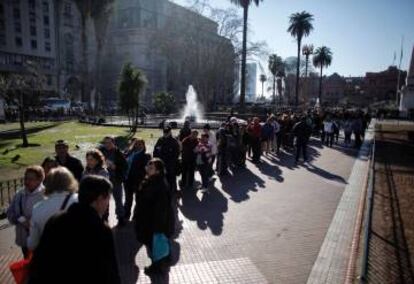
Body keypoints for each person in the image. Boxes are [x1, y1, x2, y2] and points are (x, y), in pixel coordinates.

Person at [28, 176, 120, 284]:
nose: (108, 203)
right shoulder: (101, 229)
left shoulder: (56, 220)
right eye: (108, 198)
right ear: (99, 199)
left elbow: (40, 260)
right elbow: (110, 271)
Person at [134, 159, 175, 275]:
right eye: (148, 165)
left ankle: (157, 269)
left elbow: (161, 209)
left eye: (151, 168)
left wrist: (158, 228)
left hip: (153, 223)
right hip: (149, 220)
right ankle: (163, 261)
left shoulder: (159, 184)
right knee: (156, 245)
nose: (147, 168)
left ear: (158, 171)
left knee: (155, 246)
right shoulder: (150, 180)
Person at [27, 167, 78, 250]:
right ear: (70, 182)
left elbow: (32, 244)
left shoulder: (37, 208)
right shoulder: (80, 201)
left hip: (50, 258)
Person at [7, 166, 45, 258]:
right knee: (27, 263)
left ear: (39, 180)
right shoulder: (19, 194)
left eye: (31, 179)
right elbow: (10, 212)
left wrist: (31, 223)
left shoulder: (46, 195)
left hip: (40, 240)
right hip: (24, 237)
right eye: (26, 178)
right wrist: (18, 219)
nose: (27, 181)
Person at [100, 136, 128, 226]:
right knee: (104, 200)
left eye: (109, 142)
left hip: (116, 180)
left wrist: (115, 167)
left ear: (113, 143)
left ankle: (120, 218)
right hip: (104, 180)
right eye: (105, 143)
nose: (107, 145)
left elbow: (125, 166)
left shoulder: (118, 153)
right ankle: (104, 218)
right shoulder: (101, 152)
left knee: (118, 200)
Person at [124, 139, 151, 221]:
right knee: (128, 199)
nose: (138, 146)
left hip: (138, 181)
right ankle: (126, 214)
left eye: (140, 144)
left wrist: (143, 181)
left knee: (138, 199)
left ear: (143, 145)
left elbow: (147, 170)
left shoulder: (146, 156)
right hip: (127, 179)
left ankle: (136, 215)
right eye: (136, 144)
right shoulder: (129, 153)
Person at [153, 126, 180, 193]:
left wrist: (171, 163)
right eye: (164, 132)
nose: (165, 134)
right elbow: (155, 150)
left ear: (170, 132)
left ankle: (172, 190)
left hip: (170, 164)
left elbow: (176, 154)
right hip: (160, 162)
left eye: (167, 132)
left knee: (171, 178)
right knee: (160, 177)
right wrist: (155, 160)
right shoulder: (160, 140)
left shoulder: (174, 141)